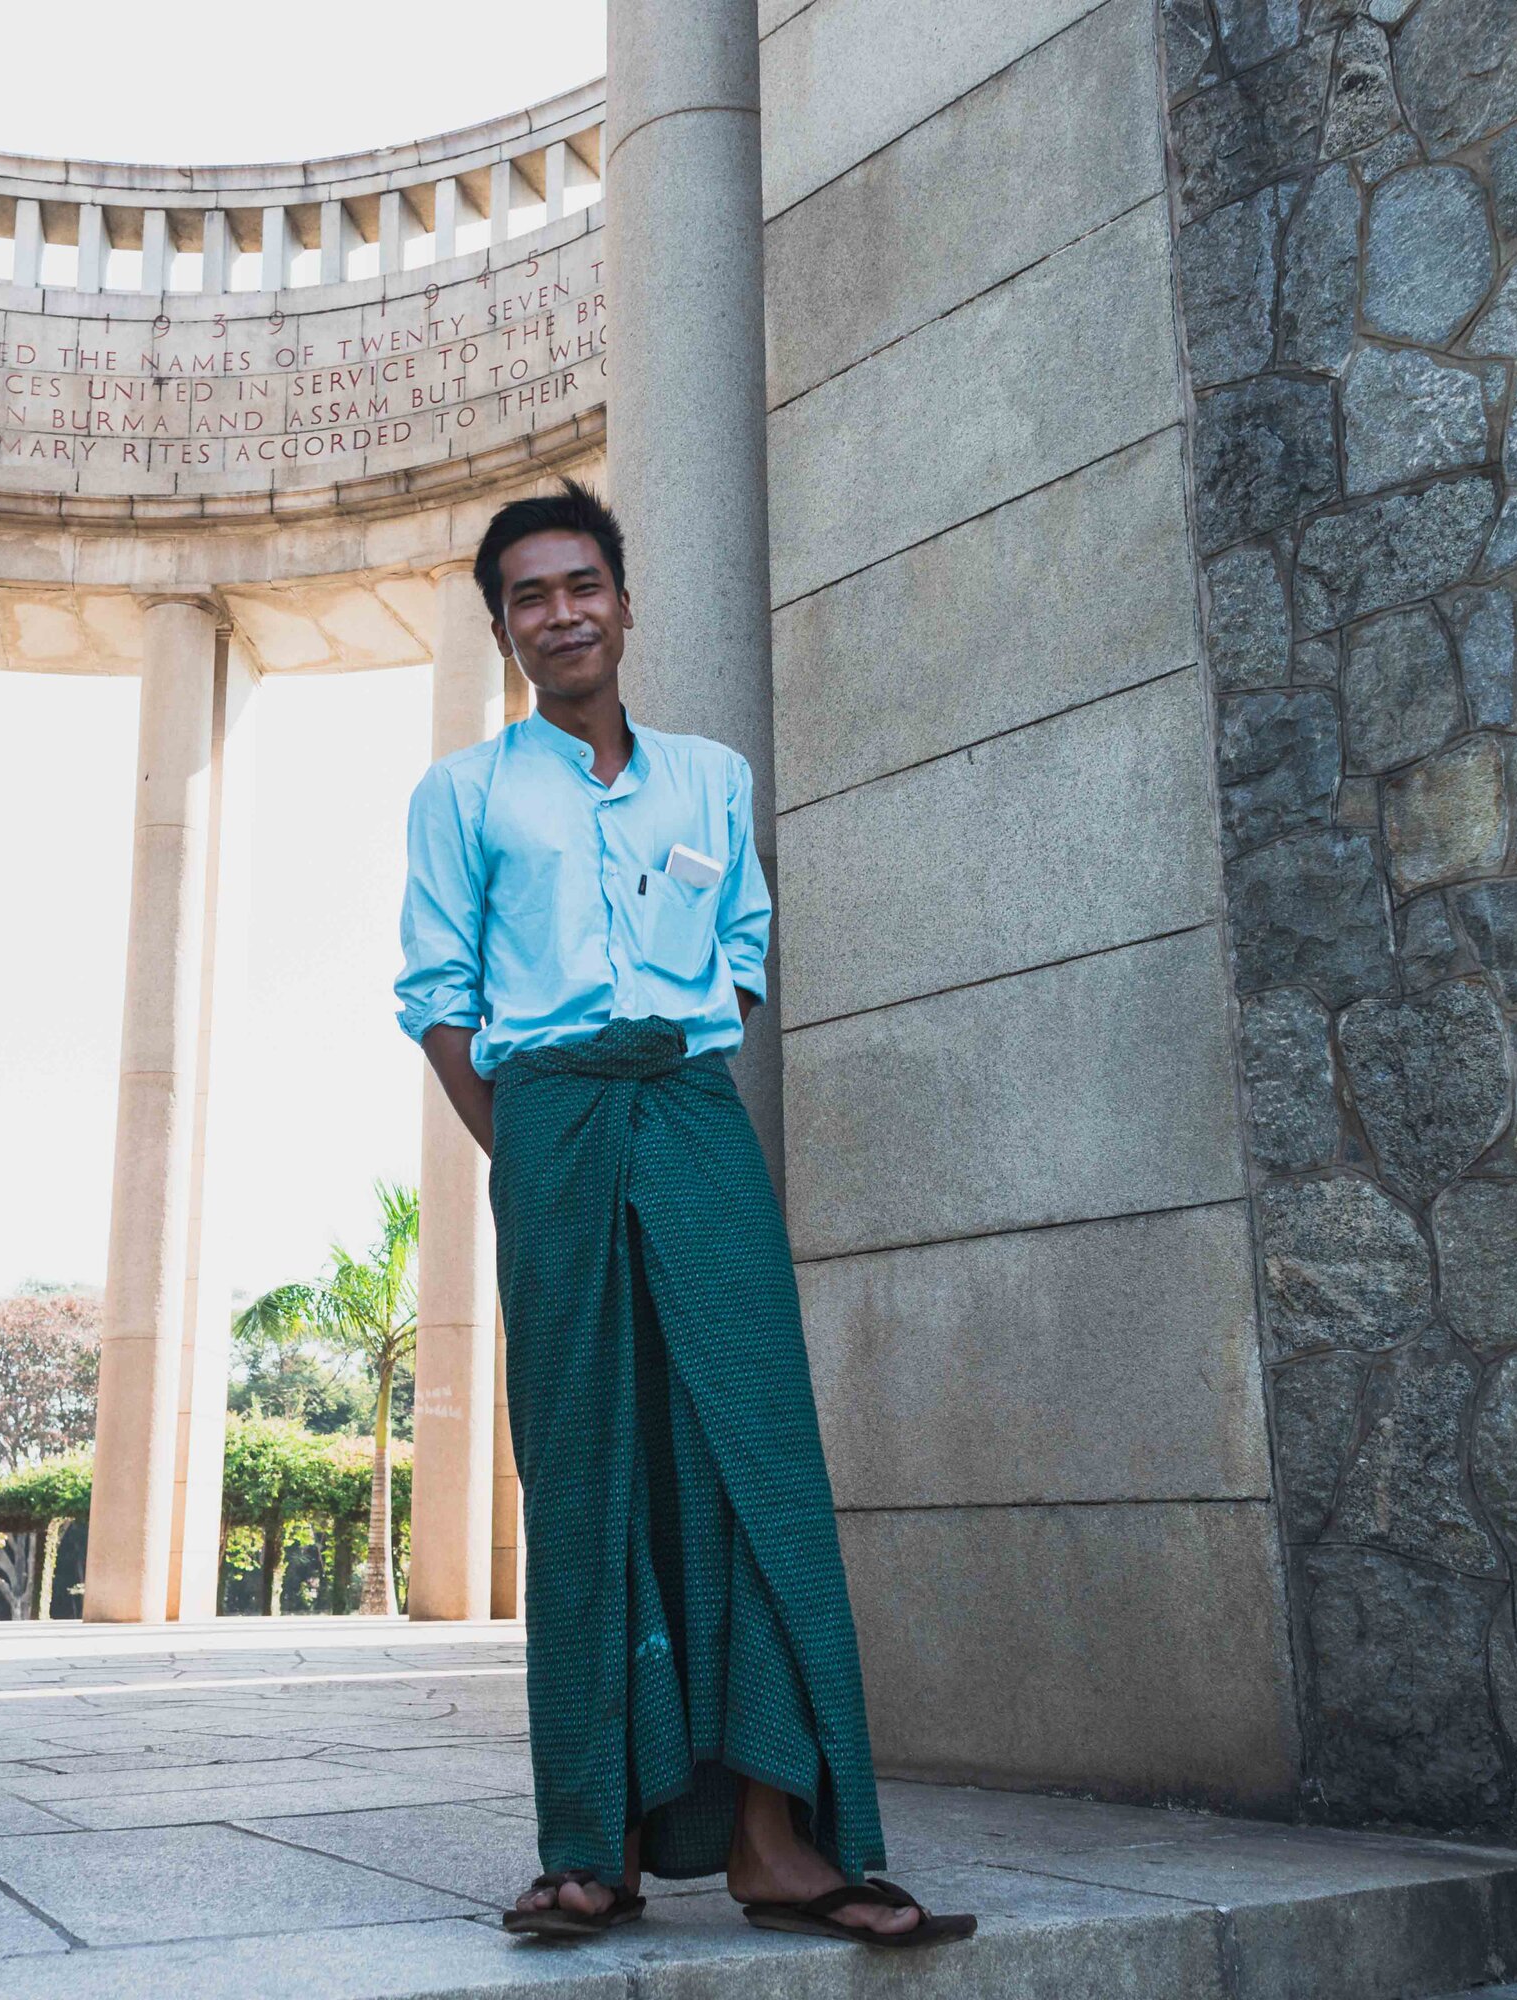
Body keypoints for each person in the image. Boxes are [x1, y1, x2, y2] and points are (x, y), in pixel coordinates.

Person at [394, 480, 973, 1950]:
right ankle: (598, 1846)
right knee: (589, 1474)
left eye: (583, 584)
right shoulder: (463, 796)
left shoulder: (709, 780)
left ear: (626, 604)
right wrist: (528, 1155)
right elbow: (438, 1004)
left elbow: (744, 959)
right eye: (529, 597)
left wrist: (658, 1081)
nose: (562, 613)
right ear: (504, 628)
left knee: (750, 1455)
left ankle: (784, 1840)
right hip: (554, 1124)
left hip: (692, 1119)